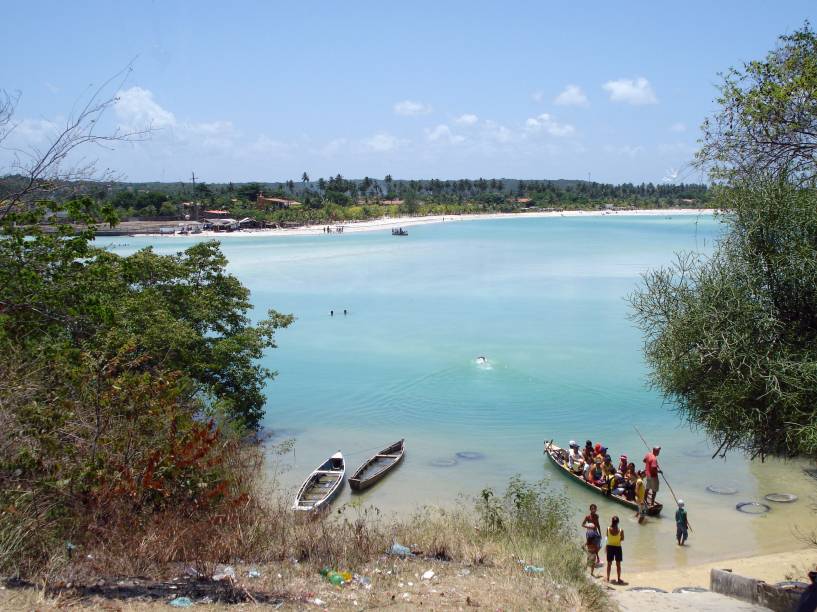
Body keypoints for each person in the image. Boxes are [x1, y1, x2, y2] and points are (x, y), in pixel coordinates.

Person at [605, 516, 625, 584]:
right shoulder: (621, 530)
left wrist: (606, 547)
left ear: (612, 521)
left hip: (609, 547)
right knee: (618, 565)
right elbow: (622, 539)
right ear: (618, 522)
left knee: (609, 564)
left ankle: (607, 579)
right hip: (618, 548)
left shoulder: (608, 529)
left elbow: (607, 538)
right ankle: (619, 579)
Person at [582, 504, 602, 568]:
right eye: (592, 508)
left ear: (596, 509)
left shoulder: (597, 516)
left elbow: (598, 525)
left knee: (597, 546)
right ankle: (587, 563)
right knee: (590, 548)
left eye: (594, 508)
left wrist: (600, 533)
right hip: (590, 533)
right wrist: (589, 526)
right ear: (590, 509)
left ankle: (596, 559)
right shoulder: (587, 517)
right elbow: (582, 524)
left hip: (595, 533)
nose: (593, 510)